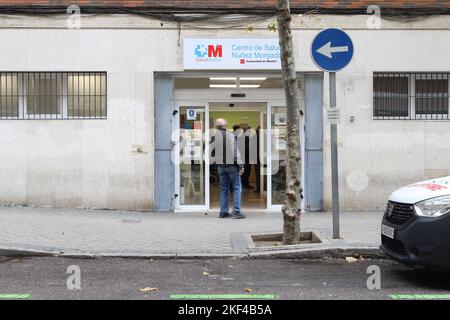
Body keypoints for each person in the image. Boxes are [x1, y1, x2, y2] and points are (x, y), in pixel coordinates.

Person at [210, 118, 245, 219]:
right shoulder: (230, 135)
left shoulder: (213, 137)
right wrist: (241, 165)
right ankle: (236, 211)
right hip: (231, 166)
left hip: (221, 166)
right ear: (225, 126)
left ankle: (224, 212)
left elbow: (211, 153)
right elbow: (235, 152)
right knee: (237, 187)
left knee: (224, 189)